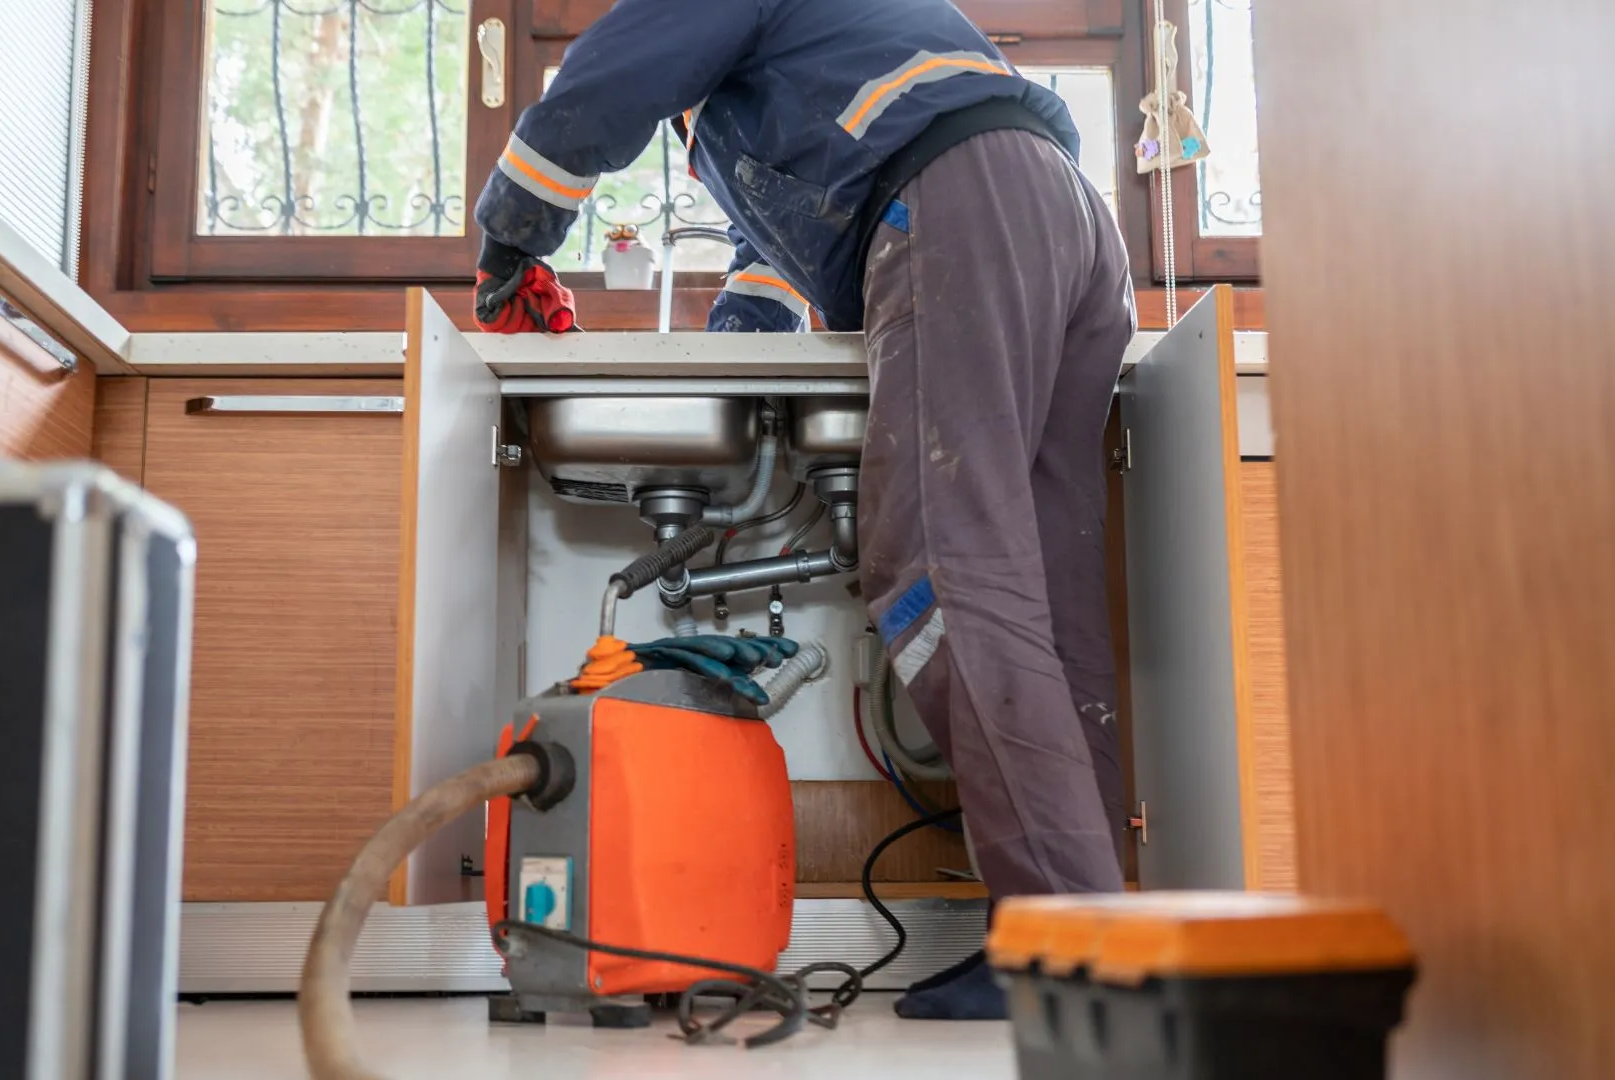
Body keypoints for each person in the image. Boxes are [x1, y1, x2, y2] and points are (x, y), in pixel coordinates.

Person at [471, 0, 1136, 1020]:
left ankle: (1062, 947)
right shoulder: (820, 65)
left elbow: (606, 81)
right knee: (1043, 596)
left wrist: (513, 238)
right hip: (1061, 219)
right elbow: (768, 268)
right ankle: (1106, 940)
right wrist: (727, 350)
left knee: (946, 573)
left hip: (956, 204)